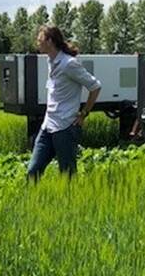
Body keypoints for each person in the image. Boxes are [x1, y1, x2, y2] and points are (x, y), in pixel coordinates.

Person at [27, 25, 101, 179]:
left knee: (68, 176)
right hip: (48, 125)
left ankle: (70, 202)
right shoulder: (50, 60)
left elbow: (95, 87)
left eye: (40, 39)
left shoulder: (69, 64)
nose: (37, 42)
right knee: (33, 171)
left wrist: (84, 114)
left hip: (65, 126)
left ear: (50, 41)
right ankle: (31, 201)